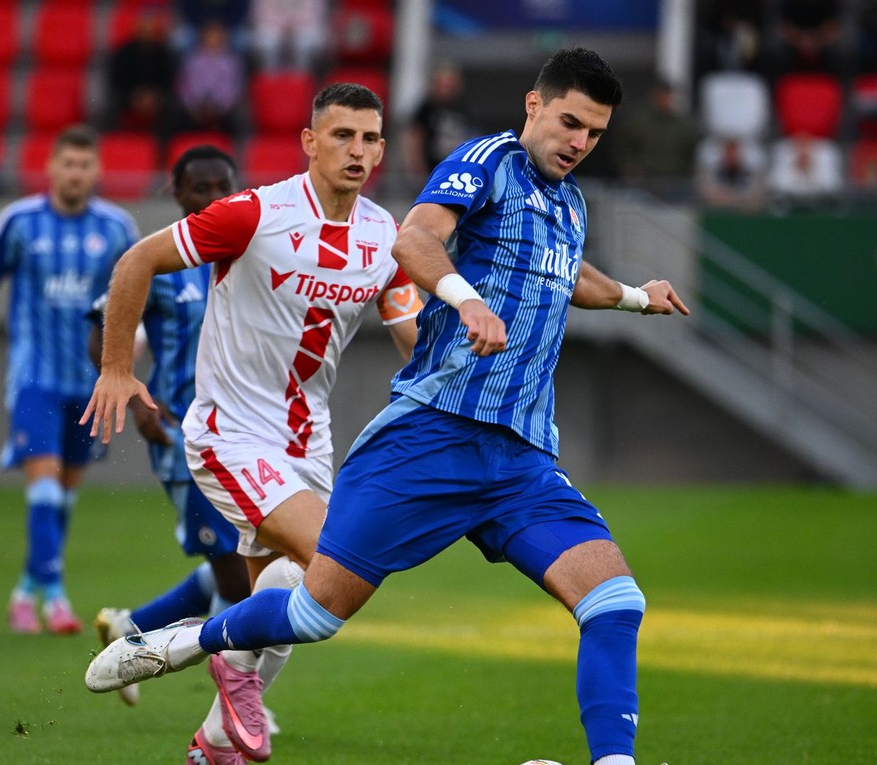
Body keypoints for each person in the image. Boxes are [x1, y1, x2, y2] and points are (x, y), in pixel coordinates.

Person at [85, 48, 690, 765]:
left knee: (615, 603)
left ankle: (612, 763)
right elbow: (420, 237)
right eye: (569, 122)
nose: (579, 142)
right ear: (534, 105)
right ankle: (187, 644)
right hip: (401, 436)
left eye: (593, 133)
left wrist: (630, 296)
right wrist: (465, 303)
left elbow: (560, 277)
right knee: (315, 603)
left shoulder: (554, 204)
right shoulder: (479, 165)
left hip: (513, 452)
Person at [81, 83, 422, 763]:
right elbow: (138, 259)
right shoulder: (253, 214)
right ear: (309, 141)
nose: (358, 150)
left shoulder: (387, 236)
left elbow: (412, 333)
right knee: (336, 564)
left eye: (370, 138)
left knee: (291, 600)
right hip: (229, 433)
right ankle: (196, 648)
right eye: (342, 135)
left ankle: (212, 743)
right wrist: (117, 366)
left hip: (308, 444)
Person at [0, 125, 140, 635]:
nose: (75, 173)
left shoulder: (117, 228)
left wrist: (129, 359)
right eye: (67, 163)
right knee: (45, 490)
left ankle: (24, 589)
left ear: (97, 171)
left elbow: (137, 300)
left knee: (65, 497)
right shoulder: (19, 221)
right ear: (50, 168)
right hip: (34, 378)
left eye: (84, 164)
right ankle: (54, 599)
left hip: (90, 383)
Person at [87, 145, 252, 709]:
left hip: (250, 435)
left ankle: (132, 629)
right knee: (238, 580)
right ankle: (236, 702)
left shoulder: (251, 252)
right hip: (184, 437)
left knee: (256, 565)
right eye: (198, 188)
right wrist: (135, 403)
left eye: (221, 186)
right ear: (174, 193)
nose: (210, 198)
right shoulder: (156, 259)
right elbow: (102, 330)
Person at [608, 78, 701, 200]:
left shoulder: (683, 124)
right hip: (644, 182)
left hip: (675, 183)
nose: (666, 100)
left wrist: (690, 175)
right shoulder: (638, 120)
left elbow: (692, 151)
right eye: (662, 95)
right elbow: (622, 146)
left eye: (668, 96)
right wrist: (629, 167)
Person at [105, 10, 179, 137]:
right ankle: (116, 143)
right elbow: (117, 80)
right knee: (109, 108)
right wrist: (134, 96)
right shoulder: (123, 52)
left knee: (174, 109)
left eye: (150, 29)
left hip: (157, 97)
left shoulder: (164, 52)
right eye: (144, 28)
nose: (147, 32)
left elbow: (168, 80)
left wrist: (155, 97)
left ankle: (162, 146)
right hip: (129, 96)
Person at [405, 61, 478, 180]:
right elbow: (415, 139)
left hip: (458, 170)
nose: (446, 90)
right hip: (432, 170)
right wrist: (417, 169)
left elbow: (471, 136)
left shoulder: (463, 108)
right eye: (443, 85)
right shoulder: (426, 109)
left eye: (450, 85)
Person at [176, 21, 247, 138]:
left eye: (217, 35)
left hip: (222, 110)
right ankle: (168, 154)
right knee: (174, 113)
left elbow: (235, 89)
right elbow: (183, 87)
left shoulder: (232, 62)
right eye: (210, 35)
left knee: (239, 117)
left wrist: (220, 107)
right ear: (203, 37)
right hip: (195, 109)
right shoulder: (191, 60)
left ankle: (238, 155)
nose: (213, 39)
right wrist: (193, 106)